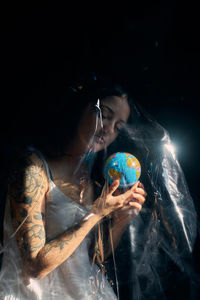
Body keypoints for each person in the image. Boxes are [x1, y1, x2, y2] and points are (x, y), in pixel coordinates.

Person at [0, 74, 147, 299]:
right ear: (81, 107)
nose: (108, 129)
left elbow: (92, 256)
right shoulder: (34, 167)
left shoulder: (97, 179)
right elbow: (35, 266)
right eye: (104, 115)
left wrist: (120, 220)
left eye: (118, 127)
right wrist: (97, 213)